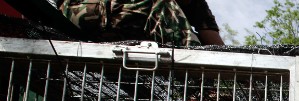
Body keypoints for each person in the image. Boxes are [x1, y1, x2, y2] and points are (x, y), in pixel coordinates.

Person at [57, 0, 224, 47]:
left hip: (130, 26)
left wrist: (241, 72)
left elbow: (209, 33)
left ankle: (201, 89)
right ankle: (198, 88)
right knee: (162, 5)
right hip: (81, 12)